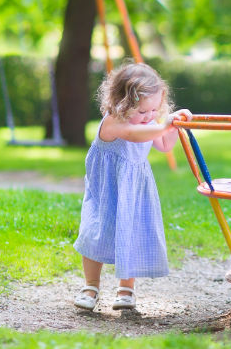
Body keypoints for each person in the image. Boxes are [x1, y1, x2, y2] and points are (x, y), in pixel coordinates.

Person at [73, 62, 192, 311]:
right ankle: (91, 286)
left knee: (132, 232)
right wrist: (163, 124)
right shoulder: (114, 123)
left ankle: (126, 289)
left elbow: (164, 144)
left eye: (154, 110)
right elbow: (135, 135)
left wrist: (175, 127)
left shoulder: (148, 122)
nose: (149, 117)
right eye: (142, 111)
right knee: (97, 232)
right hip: (107, 189)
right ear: (120, 103)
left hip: (134, 189)